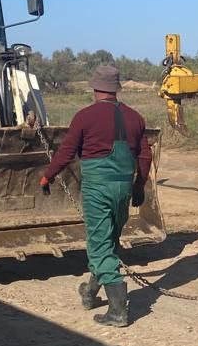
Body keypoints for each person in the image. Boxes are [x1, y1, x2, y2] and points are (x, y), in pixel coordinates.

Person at [40, 65, 151, 327]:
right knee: (109, 241)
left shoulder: (84, 117)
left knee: (100, 244)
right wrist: (139, 186)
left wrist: (48, 175)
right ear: (117, 89)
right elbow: (144, 155)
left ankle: (117, 311)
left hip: (98, 189)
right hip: (124, 188)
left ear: (94, 89)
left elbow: (67, 152)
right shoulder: (135, 117)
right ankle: (90, 292)